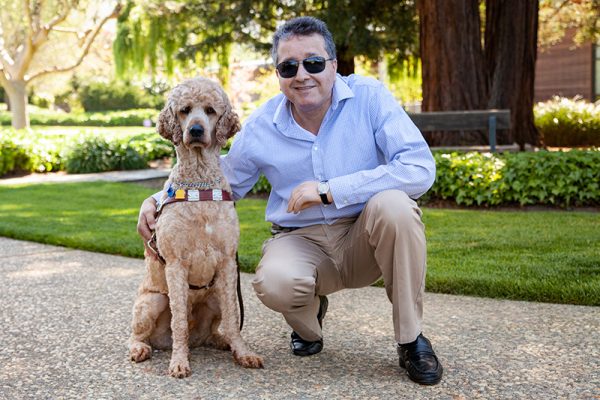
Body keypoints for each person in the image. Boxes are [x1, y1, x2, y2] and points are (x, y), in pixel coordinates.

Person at [137, 16, 443, 385]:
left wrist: (330, 189)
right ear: (278, 73)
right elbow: (223, 177)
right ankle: (309, 318)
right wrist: (159, 200)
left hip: (367, 236)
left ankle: (411, 341)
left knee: (396, 207)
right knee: (275, 282)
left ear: (333, 65)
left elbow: (419, 168)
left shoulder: (370, 97)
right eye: (289, 66)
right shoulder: (264, 123)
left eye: (313, 63)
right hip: (301, 240)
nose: (302, 75)